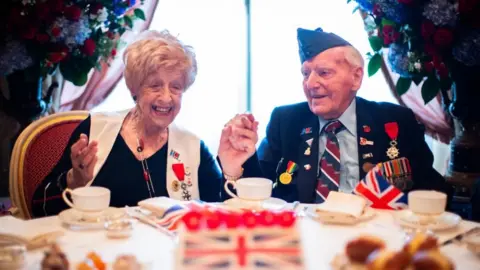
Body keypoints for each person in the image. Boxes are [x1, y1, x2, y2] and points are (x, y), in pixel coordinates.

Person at [220, 27, 452, 203]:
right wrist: (237, 164)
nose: (311, 83)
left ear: (356, 77)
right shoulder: (286, 121)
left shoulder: (394, 121)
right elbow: (261, 191)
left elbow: (431, 191)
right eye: (305, 73)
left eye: (323, 72)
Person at [31, 30, 242, 217]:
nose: (166, 98)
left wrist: (231, 170)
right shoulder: (95, 129)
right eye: (155, 85)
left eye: (176, 87)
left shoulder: (192, 147)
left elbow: (221, 214)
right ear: (134, 88)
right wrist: (74, 180)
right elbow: (38, 207)